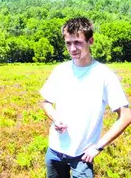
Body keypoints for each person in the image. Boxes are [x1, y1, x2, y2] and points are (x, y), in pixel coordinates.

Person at [40, 17, 131, 178]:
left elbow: (126, 116)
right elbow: (46, 102)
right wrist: (55, 118)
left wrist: (98, 147)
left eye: (78, 42)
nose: (72, 48)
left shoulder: (104, 75)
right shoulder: (60, 71)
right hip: (54, 152)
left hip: (82, 157)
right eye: (68, 43)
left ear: (91, 41)